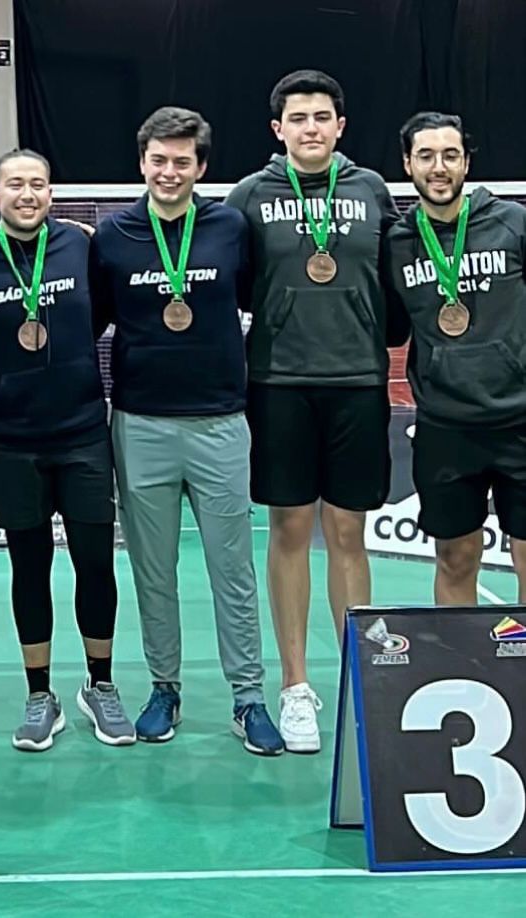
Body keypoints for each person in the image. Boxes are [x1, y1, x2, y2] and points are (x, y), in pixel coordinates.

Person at [90, 107, 284, 755]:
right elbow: (85, 322)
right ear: (141, 162)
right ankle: (164, 688)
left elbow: (259, 298)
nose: (169, 172)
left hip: (221, 424)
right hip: (140, 426)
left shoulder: (230, 226)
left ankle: (248, 697)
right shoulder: (112, 235)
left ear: (201, 168)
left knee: (233, 570)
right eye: (158, 160)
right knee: (153, 570)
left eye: (182, 162)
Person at [223, 69, 399, 753]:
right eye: (298, 118)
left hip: (357, 381)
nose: (311, 128)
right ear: (278, 129)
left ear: (341, 125)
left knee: (349, 535)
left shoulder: (371, 190)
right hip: (278, 384)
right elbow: (236, 286)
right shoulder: (250, 196)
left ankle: (364, 682)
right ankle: (296, 688)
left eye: (323, 116)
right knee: (290, 532)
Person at [0, 149, 129, 752]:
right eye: (15, 184)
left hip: (81, 434)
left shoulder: (80, 246)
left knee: (96, 562)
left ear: (52, 193)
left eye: (39, 184)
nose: (28, 194)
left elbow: (96, 317)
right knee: (30, 566)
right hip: (9, 441)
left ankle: (99, 685)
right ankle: (39, 694)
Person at [383, 112, 526, 604]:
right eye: (425, 156)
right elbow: (392, 326)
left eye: (449, 155)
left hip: (519, 418)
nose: (438, 167)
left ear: (466, 161)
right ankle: (460, 674)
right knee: (454, 556)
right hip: (445, 427)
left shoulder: (513, 223)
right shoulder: (398, 242)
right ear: (407, 163)